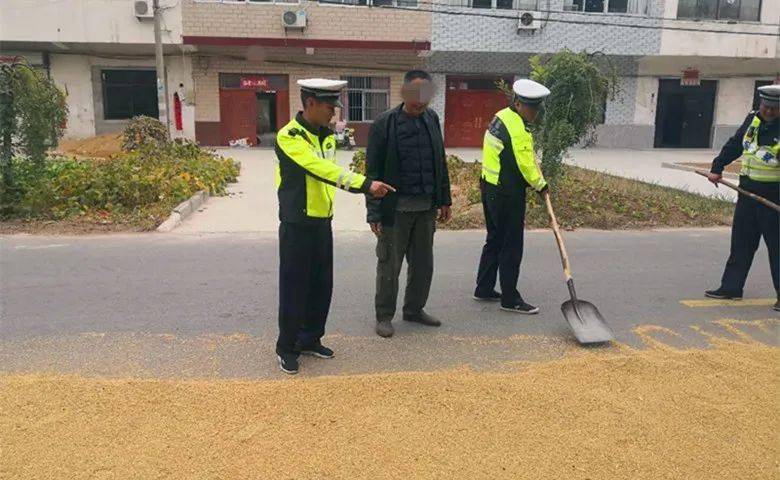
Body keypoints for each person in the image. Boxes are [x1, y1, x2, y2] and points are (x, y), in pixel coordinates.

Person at [275, 78, 395, 374]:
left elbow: (332, 172)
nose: (334, 113)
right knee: (295, 288)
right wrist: (365, 185)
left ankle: (310, 339)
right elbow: (322, 170)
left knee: (320, 285)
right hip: (297, 222)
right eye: (330, 107)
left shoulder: (326, 136)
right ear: (310, 103)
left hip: (322, 221)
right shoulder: (290, 137)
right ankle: (286, 347)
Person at [365, 70, 452, 338]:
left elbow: (439, 160)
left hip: (426, 208)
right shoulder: (385, 124)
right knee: (389, 264)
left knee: (423, 264)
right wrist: (373, 213)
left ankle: (414, 309)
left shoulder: (432, 119)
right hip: (396, 210)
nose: (420, 101)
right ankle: (384, 315)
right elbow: (373, 172)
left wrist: (444, 199)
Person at [473, 79, 550, 314]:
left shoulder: (502, 116)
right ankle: (510, 298)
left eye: (537, 107)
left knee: (495, 238)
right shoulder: (516, 128)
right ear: (517, 103)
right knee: (511, 244)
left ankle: (484, 288)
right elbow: (526, 165)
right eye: (531, 107)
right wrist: (542, 186)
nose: (535, 112)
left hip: (490, 188)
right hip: (506, 193)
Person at [704, 84, 780, 312]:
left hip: (774, 199)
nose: (768, 111)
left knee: (777, 248)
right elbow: (737, 144)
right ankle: (731, 288)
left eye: (774, 109)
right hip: (747, 195)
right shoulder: (753, 120)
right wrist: (717, 166)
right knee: (741, 244)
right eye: (765, 106)